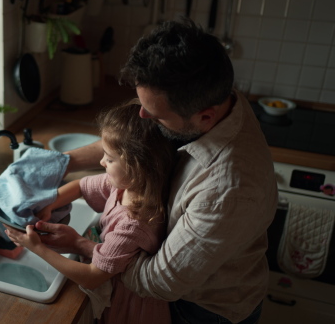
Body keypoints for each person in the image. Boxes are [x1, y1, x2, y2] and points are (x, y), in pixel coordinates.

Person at [27, 18, 278, 323]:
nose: (142, 114)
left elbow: (158, 282)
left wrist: (86, 246)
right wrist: (54, 164)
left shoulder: (228, 189)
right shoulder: (208, 94)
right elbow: (131, 141)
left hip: (203, 308)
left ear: (204, 118)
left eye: (155, 116)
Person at [6, 102, 175, 323]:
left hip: (129, 311)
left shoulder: (132, 225)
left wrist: (37, 249)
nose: (101, 161)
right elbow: (80, 186)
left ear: (137, 168)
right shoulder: (127, 186)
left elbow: (93, 277)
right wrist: (49, 204)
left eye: (110, 158)